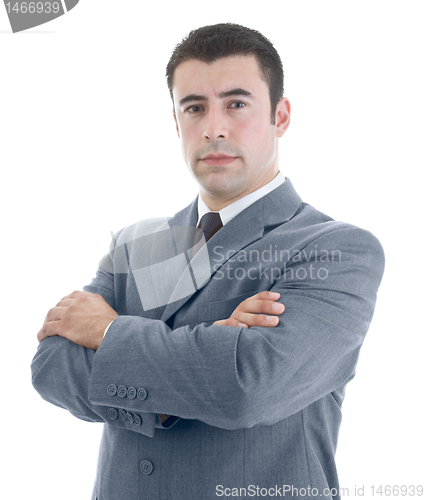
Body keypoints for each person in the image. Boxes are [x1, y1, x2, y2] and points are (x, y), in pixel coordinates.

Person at [31, 23, 385, 500]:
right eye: (194, 107)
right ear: (176, 122)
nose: (213, 127)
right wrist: (196, 370)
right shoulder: (139, 244)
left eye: (236, 104)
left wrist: (107, 333)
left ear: (280, 116)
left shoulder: (335, 249)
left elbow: (246, 388)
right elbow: (52, 367)